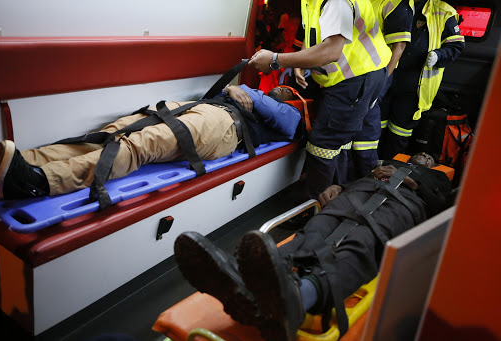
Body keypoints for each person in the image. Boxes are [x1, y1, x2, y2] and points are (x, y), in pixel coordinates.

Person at [174, 152, 454, 341]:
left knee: (363, 241)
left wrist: (413, 181)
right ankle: (243, 280)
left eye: (429, 157)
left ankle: (298, 297)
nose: (424, 156)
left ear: (432, 164)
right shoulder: (388, 159)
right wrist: (340, 188)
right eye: (422, 154)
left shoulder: (438, 178)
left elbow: (442, 206)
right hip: (361, 193)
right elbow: (359, 179)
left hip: (403, 206)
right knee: (315, 230)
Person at [0, 85, 302, 200]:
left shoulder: (287, 113)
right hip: (195, 109)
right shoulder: (245, 95)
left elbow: (288, 123)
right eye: (281, 88)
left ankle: (39, 182)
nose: (281, 90)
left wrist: (245, 90)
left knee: (142, 145)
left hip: (221, 128)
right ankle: (9, 163)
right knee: (109, 134)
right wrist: (234, 91)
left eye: (287, 91)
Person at [249, 0, 392, 200]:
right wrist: (301, 62)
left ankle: (314, 207)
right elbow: (318, 36)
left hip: (357, 76)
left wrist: (275, 60)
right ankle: (337, 196)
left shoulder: (335, 1)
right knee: (338, 142)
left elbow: (331, 51)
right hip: (353, 76)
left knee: (322, 146)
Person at [377, 0, 465, 160]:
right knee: (375, 126)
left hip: (414, 85)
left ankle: (388, 170)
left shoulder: (444, 12)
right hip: (383, 77)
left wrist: (439, 55)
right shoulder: (392, 3)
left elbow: (456, 46)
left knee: (399, 132)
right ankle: (369, 167)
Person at [349, 0, 415, 180]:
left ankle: (367, 176)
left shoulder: (395, 4)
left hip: (377, 73)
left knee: (366, 126)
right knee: (353, 124)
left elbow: (399, 46)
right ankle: (352, 175)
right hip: (355, 70)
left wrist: (382, 78)